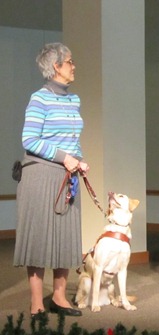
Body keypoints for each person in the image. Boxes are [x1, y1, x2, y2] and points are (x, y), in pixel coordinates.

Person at [13, 43, 89, 318]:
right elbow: (29, 140)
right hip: (40, 175)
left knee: (66, 235)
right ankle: (37, 302)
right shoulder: (39, 99)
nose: (73, 65)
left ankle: (59, 296)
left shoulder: (73, 99)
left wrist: (78, 159)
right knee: (39, 238)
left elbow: (72, 139)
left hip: (65, 175)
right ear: (56, 66)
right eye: (70, 61)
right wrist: (63, 157)